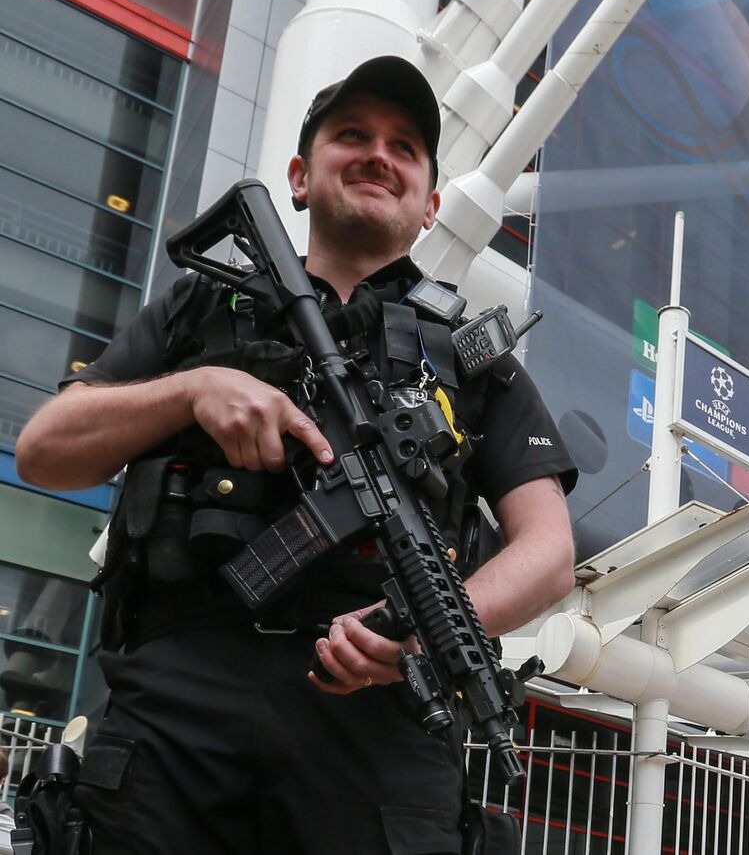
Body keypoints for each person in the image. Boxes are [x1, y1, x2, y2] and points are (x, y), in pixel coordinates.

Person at [14, 55, 578, 854]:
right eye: (351, 135)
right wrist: (191, 390)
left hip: (375, 719)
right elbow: (44, 452)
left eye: (404, 147)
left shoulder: (469, 357)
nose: (378, 153)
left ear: (430, 206)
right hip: (178, 707)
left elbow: (550, 553)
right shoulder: (200, 309)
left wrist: (417, 637)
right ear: (300, 177)